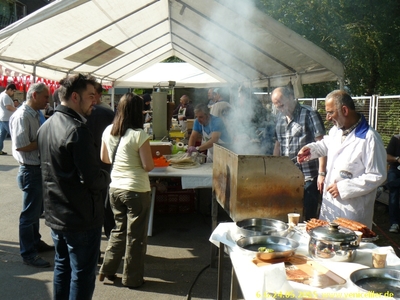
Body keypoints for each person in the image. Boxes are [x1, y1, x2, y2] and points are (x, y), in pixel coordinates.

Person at [37, 74, 111, 300]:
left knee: (63, 267)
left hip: (57, 213)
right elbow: (92, 178)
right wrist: (107, 174)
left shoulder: (47, 125)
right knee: (81, 273)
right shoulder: (77, 129)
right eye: (91, 96)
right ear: (75, 97)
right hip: (79, 216)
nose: (94, 101)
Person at [297, 90, 387, 228]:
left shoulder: (370, 138)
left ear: (344, 110)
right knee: (326, 245)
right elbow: (325, 145)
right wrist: (311, 150)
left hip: (352, 211)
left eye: (330, 112)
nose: (327, 117)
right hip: (330, 207)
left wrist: (344, 187)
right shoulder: (336, 131)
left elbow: (377, 175)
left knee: (349, 247)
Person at [99, 92, 154, 289]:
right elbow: (148, 166)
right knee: (136, 237)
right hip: (136, 189)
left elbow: (105, 159)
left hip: (115, 188)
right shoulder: (139, 135)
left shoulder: (108, 131)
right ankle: (132, 278)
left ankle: (107, 270)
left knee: (118, 230)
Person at [9, 83, 53, 268]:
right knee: (29, 215)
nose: (48, 101)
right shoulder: (23, 115)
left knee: (34, 212)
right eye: (45, 97)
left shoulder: (34, 113)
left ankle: (35, 242)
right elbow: (21, 145)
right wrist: (44, 141)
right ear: (34, 95)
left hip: (35, 168)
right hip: (30, 169)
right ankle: (28, 253)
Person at [272, 86, 327, 221]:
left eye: (282, 105)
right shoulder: (279, 119)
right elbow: (278, 145)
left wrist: (321, 173)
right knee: (290, 215)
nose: (281, 109)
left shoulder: (309, 113)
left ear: (291, 97)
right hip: (288, 176)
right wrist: (274, 170)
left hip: (308, 177)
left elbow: (322, 145)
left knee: (308, 216)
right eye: (277, 107)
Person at [86, 81, 116, 239]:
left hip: (88, 164)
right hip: (105, 164)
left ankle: (94, 246)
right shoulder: (107, 113)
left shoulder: (82, 114)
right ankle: (110, 235)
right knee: (106, 202)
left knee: (92, 206)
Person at [385, 134, 400, 233]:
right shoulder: (396, 139)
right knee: (394, 192)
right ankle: (394, 223)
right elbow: (387, 156)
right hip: (396, 168)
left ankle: (385, 186)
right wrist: (397, 159)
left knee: (394, 185)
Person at [0, 83, 17, 155]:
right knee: (14, 134)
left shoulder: (2, 95)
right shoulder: (5, 96)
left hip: (4, 118)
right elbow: (8, 107)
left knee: (1, 135)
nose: (13, 93)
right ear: (10, 89)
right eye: (13, 91)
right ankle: (17, 149)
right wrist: (17, 109)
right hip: (7, 119)